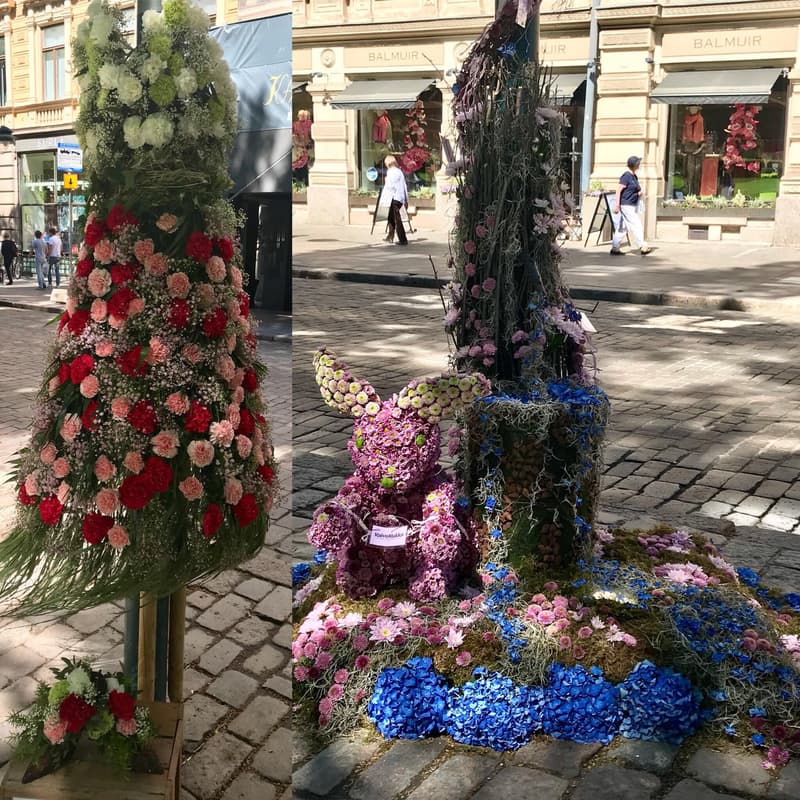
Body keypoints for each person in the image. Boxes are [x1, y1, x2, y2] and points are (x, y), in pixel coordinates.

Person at [610, 156, 651, 256]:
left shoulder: (634, 176)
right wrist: (617, 205)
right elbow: (619, 190)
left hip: (631, 204)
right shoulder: (626, 176)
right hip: (626, 204)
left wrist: (638, 193)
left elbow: (631, 190)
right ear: (635, 165)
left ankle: (615, 248)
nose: (639, 164)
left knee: (623, 227)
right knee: (636, 224)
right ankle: (642, 245)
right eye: (638, 163)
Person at [380, 155, 408, 246]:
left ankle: (402, 239)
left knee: (396, 218)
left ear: (387, 163)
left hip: (393, 197)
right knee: (391, 217)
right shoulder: (399, 172)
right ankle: (390, 236)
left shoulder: (390, 172)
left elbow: (389, 187)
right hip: (399, 197)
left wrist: (384, 198)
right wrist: (406, 199)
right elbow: (404, 186)